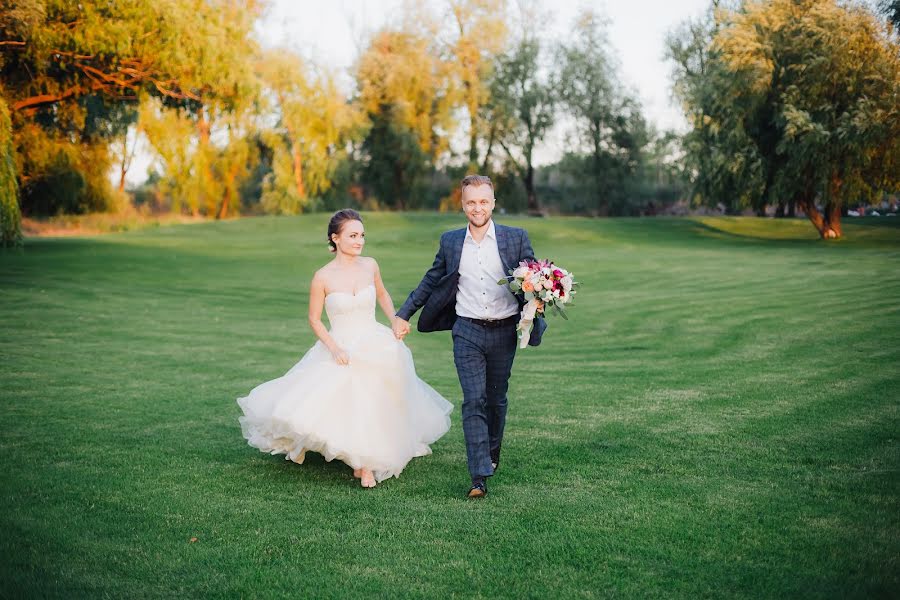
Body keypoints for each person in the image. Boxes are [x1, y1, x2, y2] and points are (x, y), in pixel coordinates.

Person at [237, 209, 452, 488]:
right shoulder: (322, 277)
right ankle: (358, 462)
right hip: (340, 343)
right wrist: (334, 348)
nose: (359, 241)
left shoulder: (370, 265)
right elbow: (314, 319)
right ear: (335, 238)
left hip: (374, 339)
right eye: (352, 235)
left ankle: (365, 464)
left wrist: (395, 319)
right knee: (335, 397)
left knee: (375, 399)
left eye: (361, 235)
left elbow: (383, 293)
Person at [393, 175, 546, 498]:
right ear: (463, 205)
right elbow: (431, 279)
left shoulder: (515, 238)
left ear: (493, 202)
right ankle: (479, 475)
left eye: (484, 201)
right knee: (473, 399)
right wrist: (403, 313)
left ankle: (491, 452)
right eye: (471, 202)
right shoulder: (451, 241)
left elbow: (535, 278)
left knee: (496, 399)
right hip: (467, 331)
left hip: (505, 331)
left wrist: (544, 296)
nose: (478, 208)